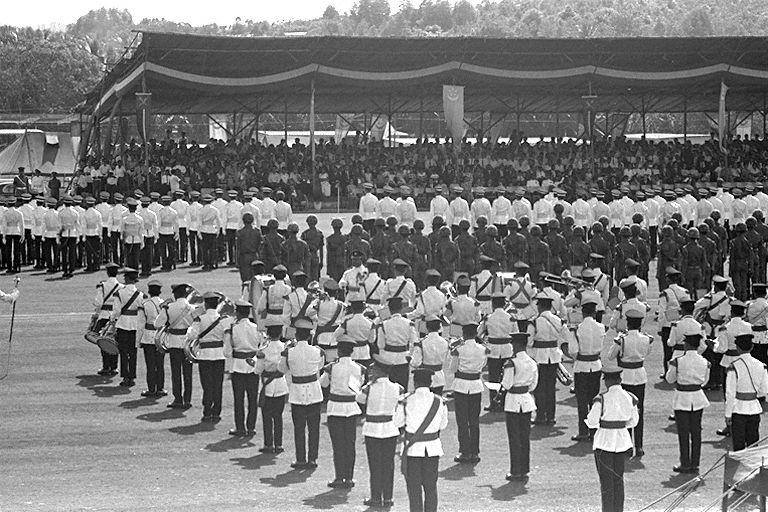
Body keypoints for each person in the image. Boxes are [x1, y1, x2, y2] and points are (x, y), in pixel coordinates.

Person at [585, 367, 639, 512]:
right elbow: (633, 422)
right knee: (618, 480)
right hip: (622, 441)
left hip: (604, 441)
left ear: (607, 382)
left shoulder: (601, 398)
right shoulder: (630, 397)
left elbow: (592, 421)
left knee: (606, 482)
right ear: (620, 380)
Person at [398, 368, 449, 512]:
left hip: (413, 449)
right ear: (431, 382)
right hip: (432, 449)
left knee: (414, 488)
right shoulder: (440, 401)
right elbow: (443, 425)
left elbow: (397, 423)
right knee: (431, 487)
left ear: (414, 382)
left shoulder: (405, 400)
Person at [357, 362, 403, 508]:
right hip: (390, 428)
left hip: (372, 429)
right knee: (388, 464)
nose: (371, 372)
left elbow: (359, 399)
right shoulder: (398, 388)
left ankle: (376, 497)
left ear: (380, 371)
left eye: (373, 370)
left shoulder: (369, 388)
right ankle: (388, 497)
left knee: (375, 464)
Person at [665, 325, 710, 474]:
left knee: (683, 432)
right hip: (697, 397)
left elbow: (670, 379)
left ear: (686, 344)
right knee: (696, 432)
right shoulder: (704, 361)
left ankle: (685, 463)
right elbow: (704, 381)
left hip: (682, 397)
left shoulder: (678, 360)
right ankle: (695, 463)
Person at [279, 327, 325, 469]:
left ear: (297, 336)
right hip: (313, 390)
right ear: (309, 336)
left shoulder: (289, 352)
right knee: (314, 427)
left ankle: (301, 458)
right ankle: (312, 459)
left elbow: (281, 369)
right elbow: (320, 366)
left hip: (297, 391)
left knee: (299, 427)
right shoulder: (318, 351)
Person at [320, 341, 364, 488]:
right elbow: (359, 386)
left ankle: (340, 477)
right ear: (351, 352)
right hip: (351, 408)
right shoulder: (359, 368)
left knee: (338, 444)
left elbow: (323, 384)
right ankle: (349, 477)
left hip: (336, 408)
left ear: (339, 352)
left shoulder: (332, 367)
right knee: (349, 444)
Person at [608, 309, 651, 457]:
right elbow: (647, 353)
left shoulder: (622, 339)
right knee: (639, 411)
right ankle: (639, 446)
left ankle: (627, 446)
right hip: (639, 375)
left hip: (625, 376)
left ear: (628, 322)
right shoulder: (645, 338)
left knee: (625, 411)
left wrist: (618, 342)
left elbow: (610, 356)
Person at [187, 292, 231, 423]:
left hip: (205, 355)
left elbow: (191, 336)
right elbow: (227, 338)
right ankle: (216, 412)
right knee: (218, 385)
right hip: (219, 355)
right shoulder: (224, 320)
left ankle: (207, 412)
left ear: (205, 304)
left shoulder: (200, 318)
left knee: (206, 385)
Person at [501, 332, 538, 481]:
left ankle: (515, 470)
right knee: (524, 437)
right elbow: (533, 385)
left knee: (514, 438)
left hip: (513, 401)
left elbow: (507, 384)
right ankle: (524, 469)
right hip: (526, 400)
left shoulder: (511, 363)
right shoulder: (532, 362)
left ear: (516, 345)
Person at [449, 322, 487, 465]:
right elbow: (483, 365)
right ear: (476, 334)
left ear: (464, 334)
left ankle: (464, 451)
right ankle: (474, 452)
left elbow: (452, 368)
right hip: (476, 385)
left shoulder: (459, 349)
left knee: (462, 421)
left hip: (461, 386)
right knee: (474, 420)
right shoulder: (483, 349)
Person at [528, 291, 568, 425]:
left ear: (539, 307)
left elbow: (529, 342)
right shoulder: (558, 320)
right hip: (554, 356)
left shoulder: (535, 321)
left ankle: (540, 416)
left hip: (539, 356)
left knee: (539, 388)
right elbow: (564, 338)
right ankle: (551, 416)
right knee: (551, 388)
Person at [225, 299, 263, 437]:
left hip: (238, 366)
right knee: (253, 398)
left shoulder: (233, 328)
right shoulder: (256, 327)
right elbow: (261, 346)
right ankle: (251, 427)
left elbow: (227, 352)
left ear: (238, 313)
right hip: (253, 365)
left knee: (239, 399)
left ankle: (240, 427)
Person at [154, 283, 196, 409]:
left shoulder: (168, 307)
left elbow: (157, 324)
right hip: (188, 343)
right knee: (188, 373)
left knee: (176, 372)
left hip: (173, 343)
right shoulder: (192, 308)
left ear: (175, 294)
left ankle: (178, 399)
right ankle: (187, 400)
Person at [724, 333, 768, 451]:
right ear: (752, 347)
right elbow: (764, 390)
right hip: (754, 407)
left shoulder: (734, 366)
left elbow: (730, 393)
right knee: (753, 444)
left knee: (739, 445)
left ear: (737, 348)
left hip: (738, 409)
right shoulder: (761, 365)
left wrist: (728, 414)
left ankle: (740, 469)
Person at [569, 297, 604, 442]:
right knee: (593, 399)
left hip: (582, 366)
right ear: (594, 313)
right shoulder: (601, 328)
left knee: (582, 401)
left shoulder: (577, 329)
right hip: (595, 365)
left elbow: (573, 351)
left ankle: (583, 431)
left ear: (583, 313)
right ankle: (593, 430)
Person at [478, 291, 516, 411]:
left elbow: (479, 334)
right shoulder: (510, 318)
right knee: (506, 377)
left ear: (493, 304)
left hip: (493, 350)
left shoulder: (488, 318)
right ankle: (504, 403)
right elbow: (516, 335)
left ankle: (494, 403)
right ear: (504, 304)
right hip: (507, 349)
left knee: (493, 378)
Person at [254, 325, 288, 453]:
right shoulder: (285, 348)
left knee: (267, 416)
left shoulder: (264, 349)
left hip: (267, 385)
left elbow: (258, 370)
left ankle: (268, 444)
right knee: (278, 416)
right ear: (280, 334)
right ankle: (278, 444)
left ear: (268, 334)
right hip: (280, 384)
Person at [374, 297, 417, 390]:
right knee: (403, 386)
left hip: (387, 358)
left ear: (389, 309)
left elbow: (380, 345)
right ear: (401, 308)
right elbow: (414, 342)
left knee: (389, 387)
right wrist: (410, 354)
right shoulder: (409, 323)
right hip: (404, 357)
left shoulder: (384, 324)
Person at [110, 268, 142, 387]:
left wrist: (112, 320)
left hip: (123, 325)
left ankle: (125, 377)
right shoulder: (141, 294)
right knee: (133, 353)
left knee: (123, 352)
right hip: (135, 326)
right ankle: (132, 377)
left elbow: (116, 311)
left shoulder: (120, 293)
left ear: (127, 279)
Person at [137, 279, 166, 398]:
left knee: (150, 364)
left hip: (148, 336)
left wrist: (138, 341)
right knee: (160, 364)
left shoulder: (145, 304)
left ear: (149, 291)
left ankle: (151, 389)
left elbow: (140, 325)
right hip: (161, 337)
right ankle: (160, 388)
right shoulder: (165, 304)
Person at [92, 263, 122, 376]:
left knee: (103, 342)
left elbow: (98, 302)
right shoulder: (121, 286)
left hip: (104, 316)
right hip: (116, 318)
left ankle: (106, 366)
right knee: (115, 342)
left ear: (107, 273)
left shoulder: (102, 286)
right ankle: (114, 367)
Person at [409, 315, 449, 395]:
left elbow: (416, 363)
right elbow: (446, 358)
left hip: (425, 377)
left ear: (427, 328)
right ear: (439, 327)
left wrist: (409, 360)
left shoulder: (422, 342)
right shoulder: (445, 342)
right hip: (439, 377)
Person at [236, 212, 262, 283]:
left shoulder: (240, 232)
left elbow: (238, 247)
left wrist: (237, 260)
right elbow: (260, 246)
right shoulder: (257, 231)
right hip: (254, 255)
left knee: (245, 279)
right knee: (256, 279)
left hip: (244, 257)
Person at [301, 215, 324, 282]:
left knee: (307, 275)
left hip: (307, 256)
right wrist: (321, 261)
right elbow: (321, 249)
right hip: (315, 256)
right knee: (315, 276)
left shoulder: (305, 233)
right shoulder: (319, 233)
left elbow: (302, 248)